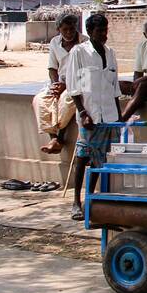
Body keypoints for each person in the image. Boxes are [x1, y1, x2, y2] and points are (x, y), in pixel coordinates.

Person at [63, 13, 124, 220]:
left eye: (106, 30)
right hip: (89, 114)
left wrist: (120, 116)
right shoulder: (79, 53)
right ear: (90, 32)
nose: (104, 35)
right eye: (100, 31)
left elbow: (114, 87)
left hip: (109, 115)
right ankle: (76, 201)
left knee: (103, 160)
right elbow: (75, 87)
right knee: (83, 157)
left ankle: (92, 198)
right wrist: (82, 112)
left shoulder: (111, 52)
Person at [33, 14, 81, 154]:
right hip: (59, 82)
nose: (69, 33)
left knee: (67, 99)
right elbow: (52, 68)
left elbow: (84, 71)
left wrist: (66, 85)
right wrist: (56, 85)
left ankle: (60, 137)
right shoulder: (55, 42)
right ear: (58, 29)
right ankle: (53, 138)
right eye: (65, 29)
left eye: (71, 29)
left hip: (77, 83)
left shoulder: (84, 42)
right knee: (40, 100)